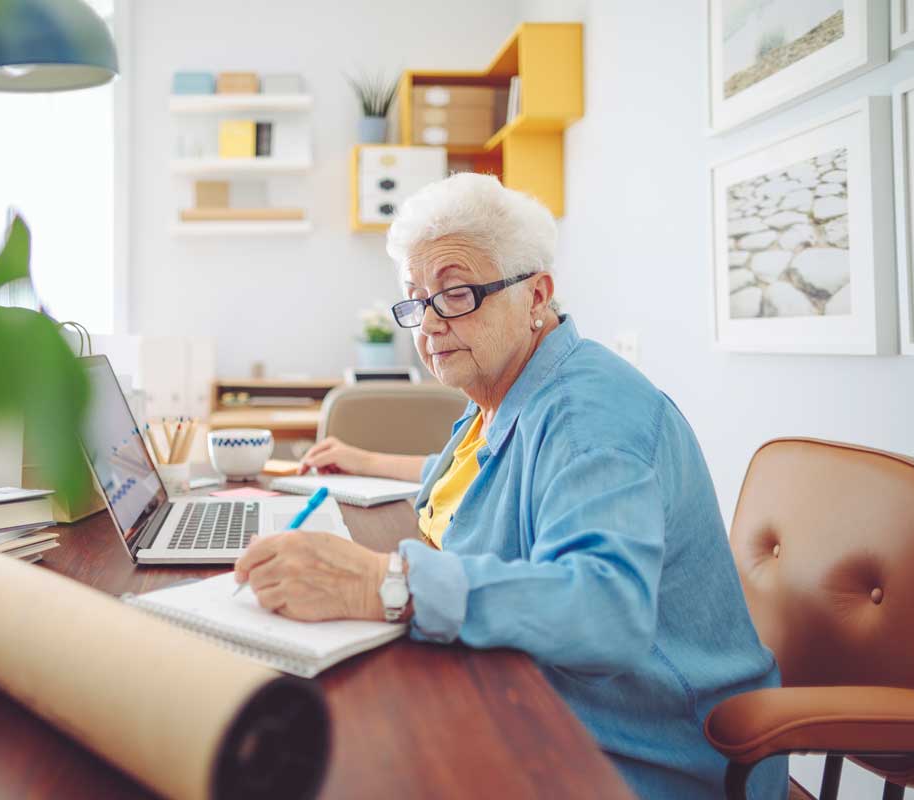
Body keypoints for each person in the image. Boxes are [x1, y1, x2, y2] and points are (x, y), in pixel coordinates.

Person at [234, 173, 787, 799]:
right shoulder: (503, 391)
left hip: (641, 753)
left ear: (536, 296)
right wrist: (366, 460)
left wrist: (377, 583)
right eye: (416, 299)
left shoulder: (589, 420)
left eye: (458, 293)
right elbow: (481, 478)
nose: (430, 325)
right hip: (533, 694)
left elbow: (607, 610)